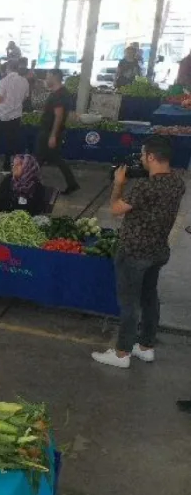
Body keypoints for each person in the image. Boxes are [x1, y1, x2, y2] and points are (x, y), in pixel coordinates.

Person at [93, 137, 185, 370]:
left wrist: (118, 184)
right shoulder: (178, 182)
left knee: (129, 303)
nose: (141, 159)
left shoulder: (145, 187)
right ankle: (146, 347)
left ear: (152, 157)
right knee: (149, 298)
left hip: (134, 252)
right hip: (158, 250)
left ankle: (122, 352)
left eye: (143, 156)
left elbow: (115, 210)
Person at [36, 69, 79, 195]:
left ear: (55, 77)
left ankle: (29, 184)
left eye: (47, 76)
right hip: (50, 131)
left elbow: (59, 115)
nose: (46, 79)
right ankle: (72, 184)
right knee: (53, 158)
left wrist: (53, 135)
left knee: (39, 158)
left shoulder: (59, 95)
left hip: (49, 132)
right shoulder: (60, 93)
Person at [0, 59, 29, 173]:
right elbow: (25, 98)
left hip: (1, 115)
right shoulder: (24, 81)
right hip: (15, 116)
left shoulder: (4, 81)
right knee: (11, 143)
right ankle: (7, 167)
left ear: (8, 68)